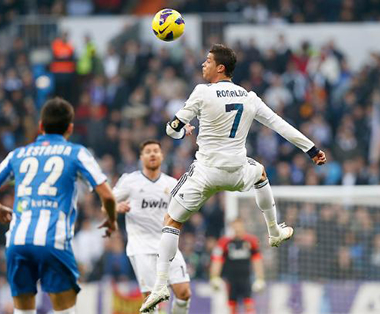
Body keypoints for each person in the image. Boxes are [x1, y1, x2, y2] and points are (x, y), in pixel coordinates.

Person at [140, 44, 326, 312]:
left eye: (207, 61)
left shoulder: (202, 92)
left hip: (205, 172)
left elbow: (171, 130)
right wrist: (312, 149)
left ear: (220, 68)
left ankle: (159, 286)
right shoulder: (249, 97)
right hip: (237, 171)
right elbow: (279, 124)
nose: (203, 65)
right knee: (261, 172)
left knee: (171, 221)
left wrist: (182, 131)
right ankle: (274, 231)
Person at [0, 97, 117, 314]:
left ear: (40, 126)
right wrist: (111, 219)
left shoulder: (18, 154)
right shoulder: (76, 152)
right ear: (70, 128)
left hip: (18, 240)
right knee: (64, 310)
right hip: (53, 240)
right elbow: (107, 196)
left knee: (23, 311)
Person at [112, 139, 191, 314]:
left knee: (184, 292)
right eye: (148, 151)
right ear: (141, 157)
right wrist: (116, 207)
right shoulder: (129, 181)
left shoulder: (172, 184)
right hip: (141, 246)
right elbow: (106, 204)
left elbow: (183, 212)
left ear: (162, 156)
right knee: (151, 301)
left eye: (156, 150)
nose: (153, 154)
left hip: (167, 245)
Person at [210, 218, 265, 314]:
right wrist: (214, 277)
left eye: (239, 226)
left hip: (246, 278)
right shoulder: (224, 242)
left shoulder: (251, 241)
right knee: (232, 306)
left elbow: (257, 260)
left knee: (249, 304)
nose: (237, 229)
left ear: (243, 226)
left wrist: (260, 278)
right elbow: (217, 260)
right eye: (235, 227)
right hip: (231, 280)